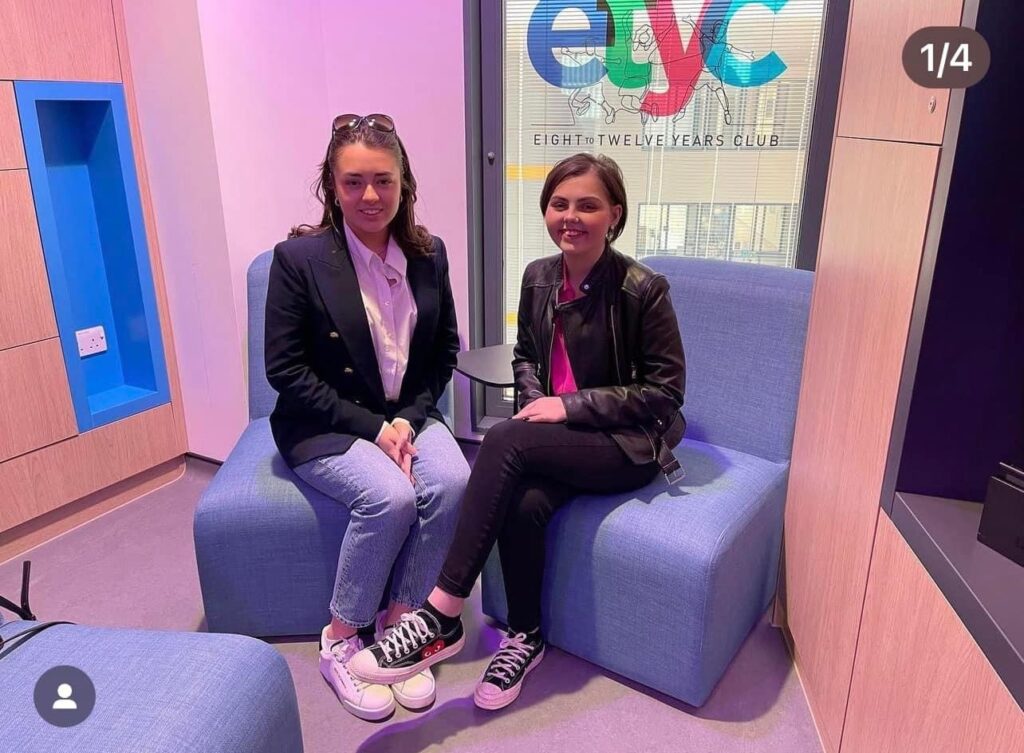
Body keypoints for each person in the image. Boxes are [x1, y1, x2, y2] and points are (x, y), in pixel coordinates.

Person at [349, 152, 686, 710]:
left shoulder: (643, 289)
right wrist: (536, 404)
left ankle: (442, 611)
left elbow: (665, 394)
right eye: (559, 204)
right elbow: (527, 357)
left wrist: (566, 408)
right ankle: (526, 637)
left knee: (502, 441)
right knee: (523, 500)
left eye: (588, 205)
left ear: (614, 214)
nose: (570, 216)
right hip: (564, 438)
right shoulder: (539, 276)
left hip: (629, 444)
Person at [264, 113, 469, 721]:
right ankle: (341, 636)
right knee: (389, 497)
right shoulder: (298, 259)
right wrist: (375, 429)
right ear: (332, 183)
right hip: (324, 421)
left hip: (405, 414)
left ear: (405, 182)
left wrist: (405, 419)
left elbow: (442, 354)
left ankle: (402, 620)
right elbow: (287, 371)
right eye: (353, 182)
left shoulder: (429, 255)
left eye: (383, 180)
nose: (370, 196)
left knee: (454, 479)